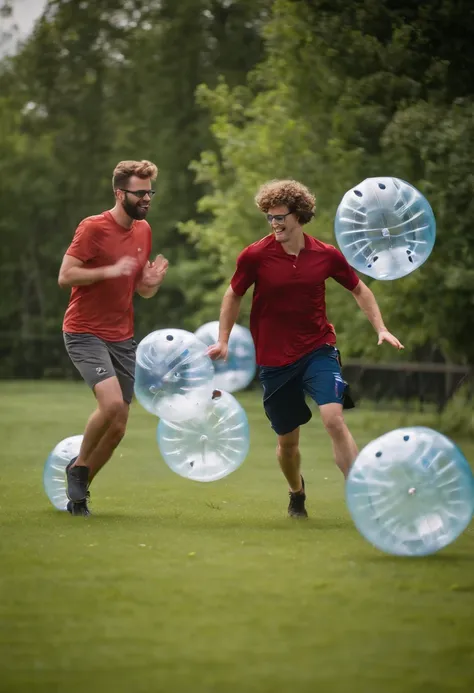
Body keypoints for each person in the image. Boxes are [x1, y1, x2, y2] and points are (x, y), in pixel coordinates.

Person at [207, 179, 403, 518]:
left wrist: (381, 328)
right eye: (269, 217)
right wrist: (223, 338)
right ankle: (296, 492)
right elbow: (233, 294)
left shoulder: (325, 255)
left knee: (333, 419)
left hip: (318, 348)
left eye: (280, 217)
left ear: (299, 215)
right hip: (274, 359)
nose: (274, 224)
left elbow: (359, 290)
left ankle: (361, 495)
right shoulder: (255, 255)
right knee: (288, 445)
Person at [58, 159, 168, 516]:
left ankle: (79, 489)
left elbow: (139, 289)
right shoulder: (93, 227)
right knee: (111, 406)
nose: (147, 198)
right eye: (140, 193)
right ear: (120, 193)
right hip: (84, 330)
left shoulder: (144, 231)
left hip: (122, 336)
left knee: (118, 428)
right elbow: (66, 275)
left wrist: (149, 284)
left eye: (150, 191)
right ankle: (78, 470)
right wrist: (109, 270)